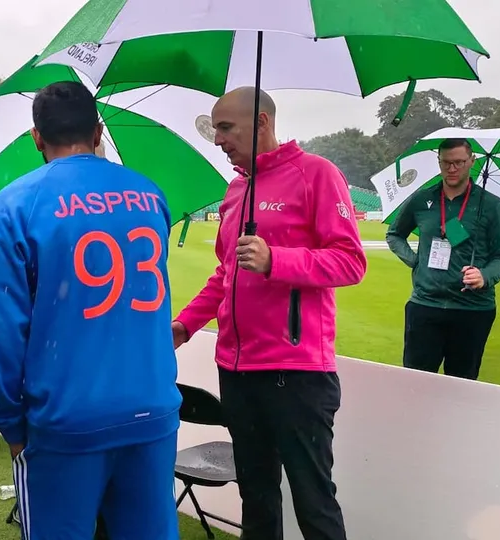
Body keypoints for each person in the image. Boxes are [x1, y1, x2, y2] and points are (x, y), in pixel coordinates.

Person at [0, 81, 182, 540]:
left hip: (65, 419)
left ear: (36, 137)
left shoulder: (16, 201)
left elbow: (1, 330)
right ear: (98, 131)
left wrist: (7, 420)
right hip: (151, 410)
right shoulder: (149, 194)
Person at [171, 87, 367, 540]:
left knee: (313, 500)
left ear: (261, 122)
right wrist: (185, 325)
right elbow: (225, 273)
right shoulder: (237, 187)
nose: (218, 139)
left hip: (295, 373)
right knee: (256, 496)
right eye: (216, 129)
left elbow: (350, 262)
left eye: (226, 127)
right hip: (237, 369)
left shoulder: (316, 174)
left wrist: (276, 260)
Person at [386, 138, 500, 380]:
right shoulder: (422, 200)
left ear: (472, 161)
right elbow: (394, 234)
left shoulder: (492, 206)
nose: (451, 169)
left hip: (472, 310)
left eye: (458, 163)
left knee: (461, 386)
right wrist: (414, 261)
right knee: (416, 384)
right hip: (425, 305)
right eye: (445, 163)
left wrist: (484, 276)